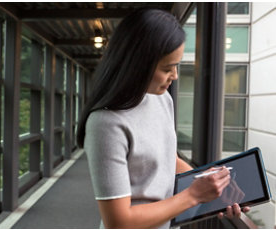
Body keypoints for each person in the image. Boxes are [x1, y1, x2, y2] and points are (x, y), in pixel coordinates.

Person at [76, 8, 249, 228]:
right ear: (138, 65)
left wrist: (215, 185)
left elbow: (166, 159)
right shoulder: (105, 123)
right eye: (168, 68)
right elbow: (118, 222)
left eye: (177, 66)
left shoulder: (162, 99)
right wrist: (194, 195)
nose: (175, 76)